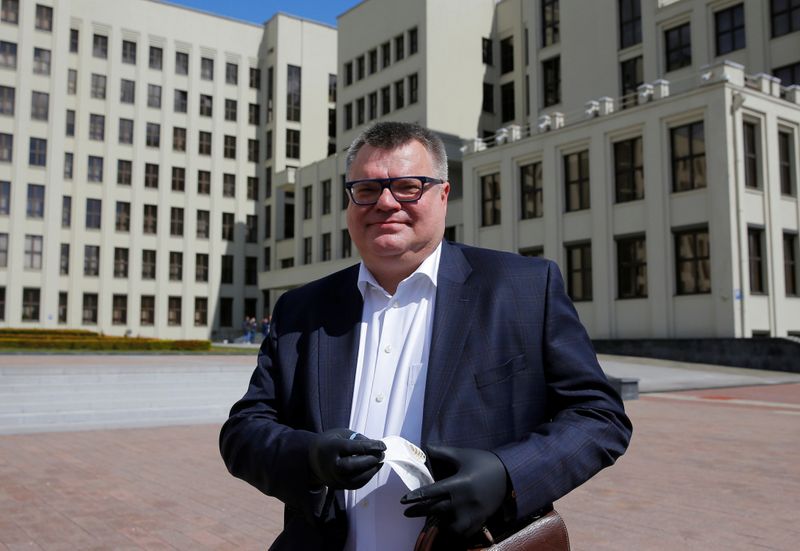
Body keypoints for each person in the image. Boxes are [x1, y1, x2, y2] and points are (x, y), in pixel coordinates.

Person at [219, 122, 632, 551]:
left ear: (444, 195)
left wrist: (507, 475)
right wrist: (305, 457)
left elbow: (598, 417)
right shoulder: (302, 309)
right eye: (366, 189)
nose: (384, 202)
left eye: (407, 186)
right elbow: (243, 432)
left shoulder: (525, 289)